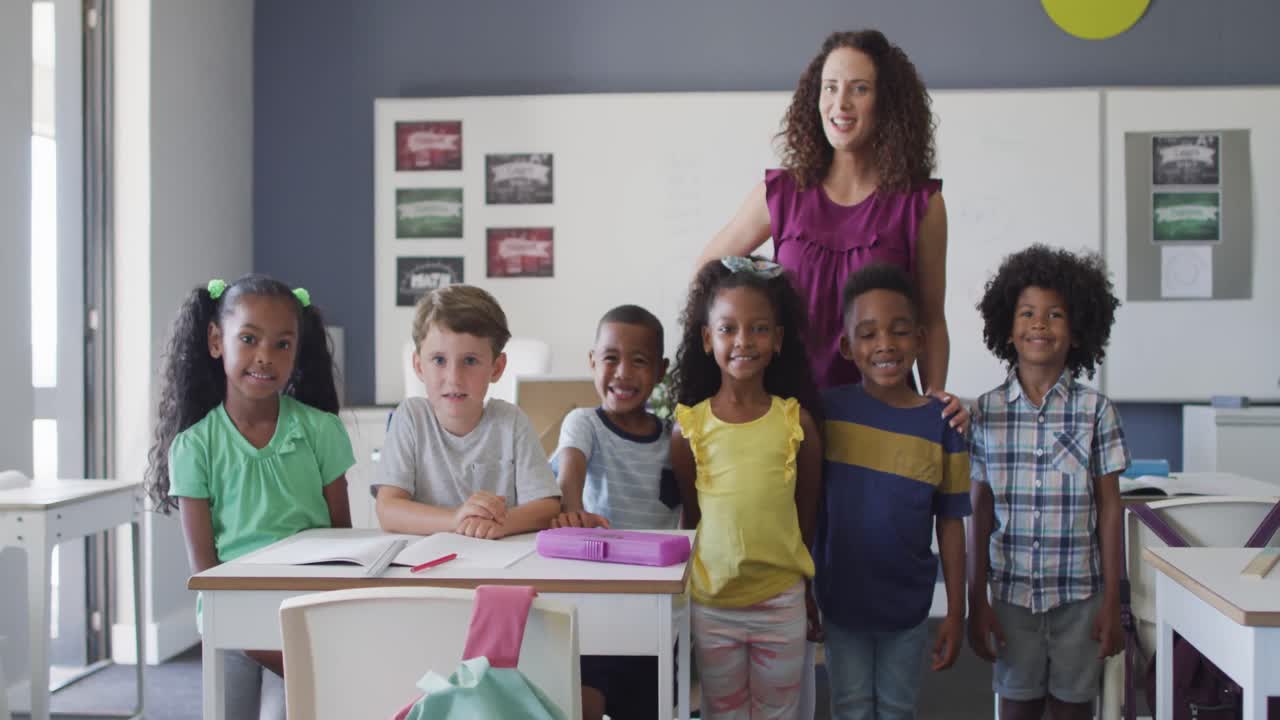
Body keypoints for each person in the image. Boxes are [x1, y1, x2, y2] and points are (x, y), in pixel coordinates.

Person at [698, 29, 965, 422]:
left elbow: (930, 318)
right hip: (784, 414)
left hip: (883, 415)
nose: (840, 103)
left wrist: (934, 399)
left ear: (886, 102)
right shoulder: (780, 193)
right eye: (830, 87)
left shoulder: (921, 204)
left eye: (859, 89)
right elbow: (707, 273)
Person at [145, 275, 354, 720]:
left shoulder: (322, 431)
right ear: (217, 341)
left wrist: (318, 640)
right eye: (249, 339)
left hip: (302, 616)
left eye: (282, 344)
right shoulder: (194, 447)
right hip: (230, 620)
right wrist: (265, 648)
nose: (265, 356)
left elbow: (343, 543)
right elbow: (206, 571)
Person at [967, 245, 1130, 720]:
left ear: (1078, 330)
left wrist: (1112, 603)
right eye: (1027, 313)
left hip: (1081, 596)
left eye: (1055, 314)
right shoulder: (986, 413)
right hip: (1012, 596)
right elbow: (978, 508)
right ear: (1008, 327)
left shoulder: (1095, 411)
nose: (1040, 324)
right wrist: (977, 600)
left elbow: (1111, 508)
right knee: (1017, 707)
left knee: (1074, 709)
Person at [814, 264, 969, 719]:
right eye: (868, 334)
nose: (885, 345)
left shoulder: (942, 424)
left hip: (909, 606)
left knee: (898, 709)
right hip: (840, 600)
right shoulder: (827, 414)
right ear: (847, 346)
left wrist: (955, 611)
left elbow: (952, 524)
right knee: (852, 708)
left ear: (920, 340)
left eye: (900, 331)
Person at [670, 256, 822, 720]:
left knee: (779, 713)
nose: (743, 341)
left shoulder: (796, 422)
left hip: (781, 602)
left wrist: (807, 591)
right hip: (714, 608)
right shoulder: (689, 429)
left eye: (758, 329)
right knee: (723, 712)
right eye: (728, 328)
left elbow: (806, 517)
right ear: (706, 338)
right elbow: (692, 520)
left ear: (777, 340)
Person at [549, 304, 680, 720]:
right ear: (592, 362)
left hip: (653, 610)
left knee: (650, 705)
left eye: (638, 361)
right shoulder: (583, 423)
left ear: (660, 370)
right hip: (594, 610)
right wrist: (571, 509)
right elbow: (569, 478)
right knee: (585, 706)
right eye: (610, 358)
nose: (623, 372)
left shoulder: (674, 438)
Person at [373, 284, 560, 538]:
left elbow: (547, 507)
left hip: (497, 561)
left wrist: (499, 524)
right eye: (439, 360)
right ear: (419, 365)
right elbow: (388, 509)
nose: (454, 378)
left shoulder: (512, 422)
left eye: (470, 361)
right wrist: (457, 519)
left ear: (496, 367)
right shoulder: (410, 418)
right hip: (424, 564)